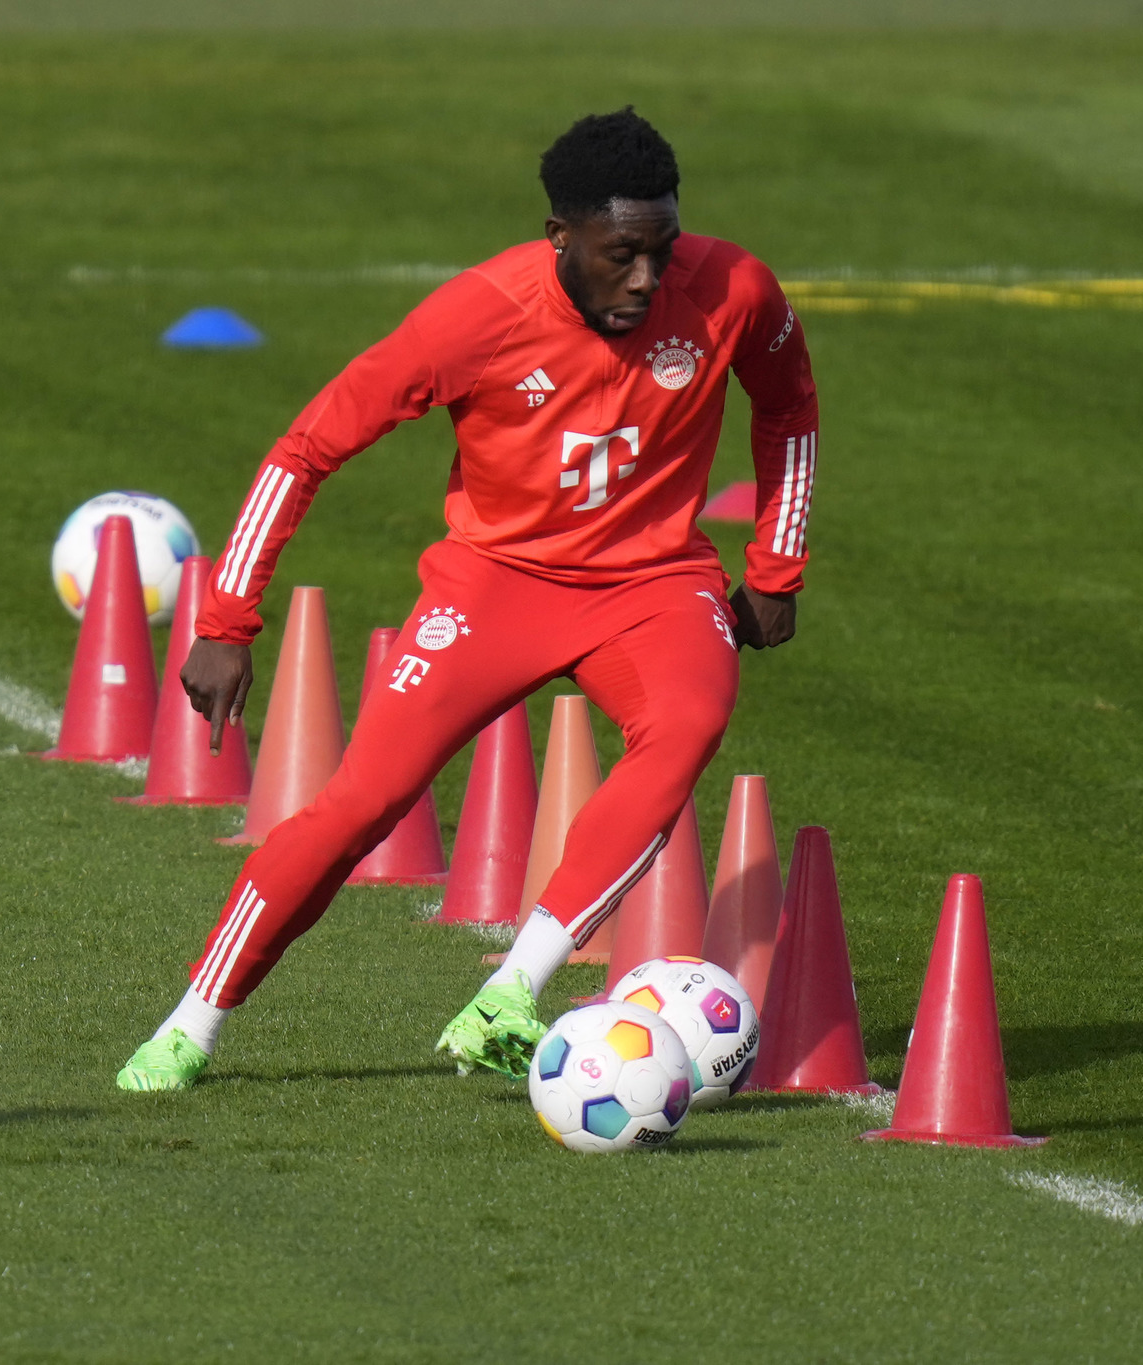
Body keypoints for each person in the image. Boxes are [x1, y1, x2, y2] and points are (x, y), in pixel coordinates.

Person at [115, 107, 817, 1091]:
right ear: (558, 238)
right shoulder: (475, 317)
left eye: (662, 250)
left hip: (652, 584)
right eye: (620, 255)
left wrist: (775, 566)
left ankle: (509, 994)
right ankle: (191, 1023)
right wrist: (226, 622)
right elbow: (304, 449)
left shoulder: (733, 285)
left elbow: (787, 402)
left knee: (689, 722)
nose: (649, 279)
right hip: (495, 587)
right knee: (358, 804)